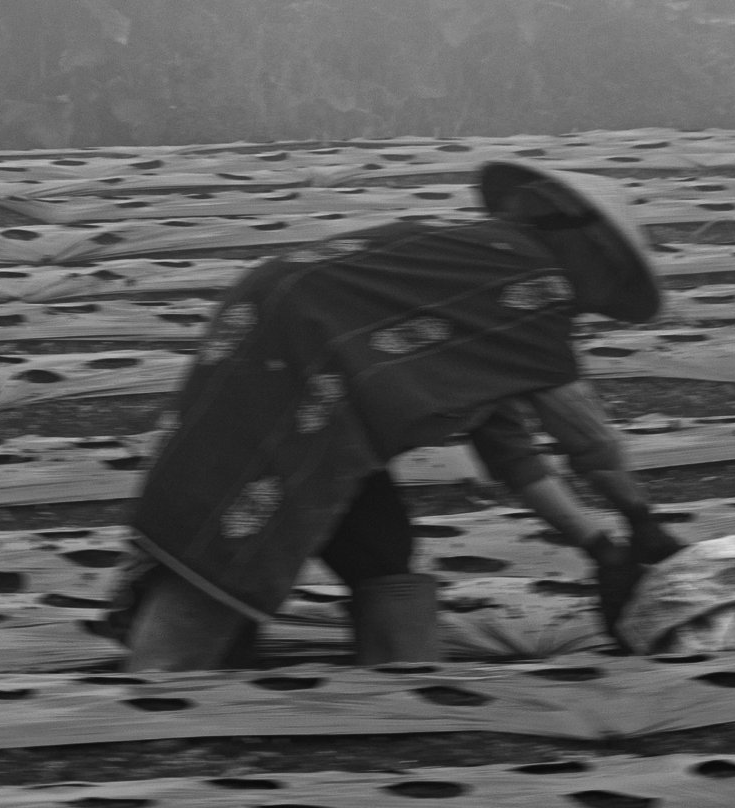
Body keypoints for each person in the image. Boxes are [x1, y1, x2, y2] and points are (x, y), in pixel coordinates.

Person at [108, 159, 682, 671]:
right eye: (610, 277)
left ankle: (403, 688)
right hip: (298, 362)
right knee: (236, 540)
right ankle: (156, 701)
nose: (595, 300)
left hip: (297, 359)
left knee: (379, 546)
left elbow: (510, 451)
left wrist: (597, 544)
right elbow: (584, 436)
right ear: (586, 245)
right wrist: (639, 517)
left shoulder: (484, 283)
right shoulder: (531, 284)